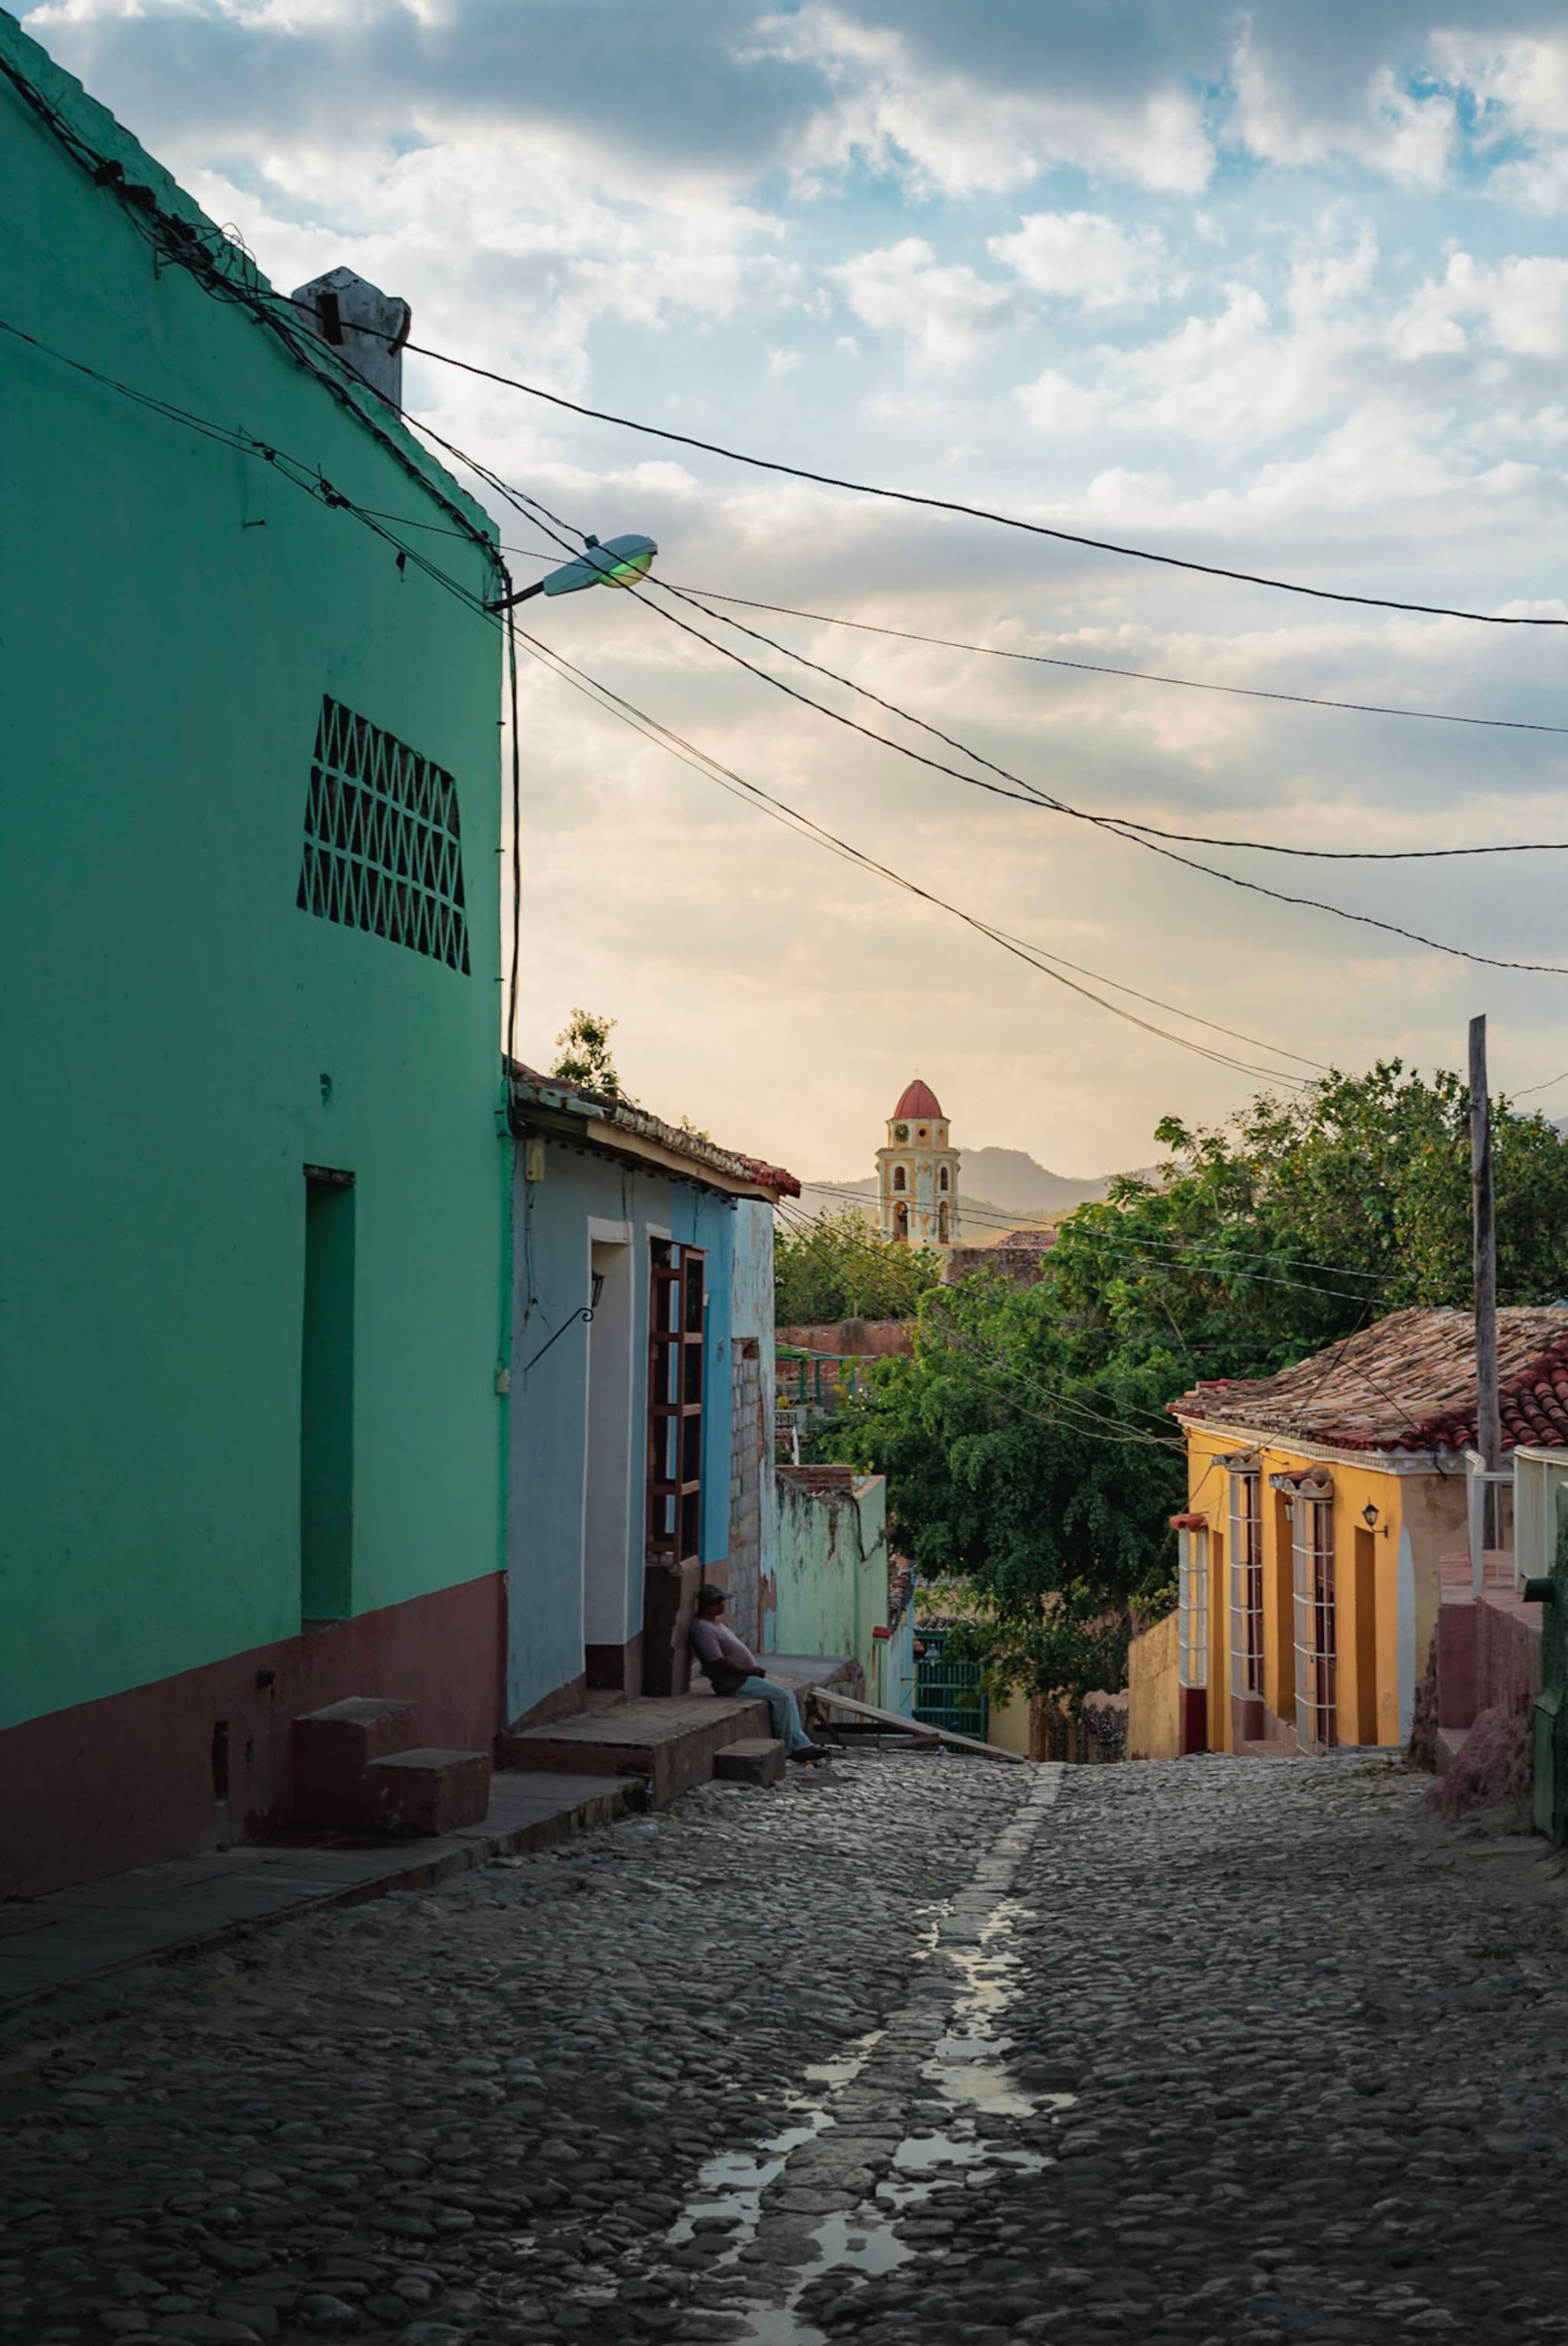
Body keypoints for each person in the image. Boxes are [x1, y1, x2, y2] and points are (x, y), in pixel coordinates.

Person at [689, 1586, 828, 1762]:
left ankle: (799, 1743)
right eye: (721, 1602)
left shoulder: (714, 1625)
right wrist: (749, 1670)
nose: (724, 1604)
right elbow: (717, 1662)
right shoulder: (703, 1629)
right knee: (783, 1696)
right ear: (711, 1605)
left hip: (745, 1677)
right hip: (735, 1681)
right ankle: (796, 1746)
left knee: (785, 1694)